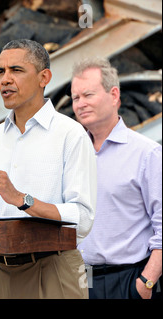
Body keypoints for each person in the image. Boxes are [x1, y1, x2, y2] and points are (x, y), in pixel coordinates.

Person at [0, 39, 97, 299]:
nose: (5, 80)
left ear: (44, 77)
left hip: (54, 268)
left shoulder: (70, 134)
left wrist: (22, 200)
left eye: (16, 70)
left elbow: (82, 218)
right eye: (1, 72)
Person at [71, 57, 162, 299]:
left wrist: (146, 282)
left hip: (130, 281)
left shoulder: (146, 153)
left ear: (113, 95)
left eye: (88, 94)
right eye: (75, 98)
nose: (80, 104)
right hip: (81, 280)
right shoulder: (71, 156)